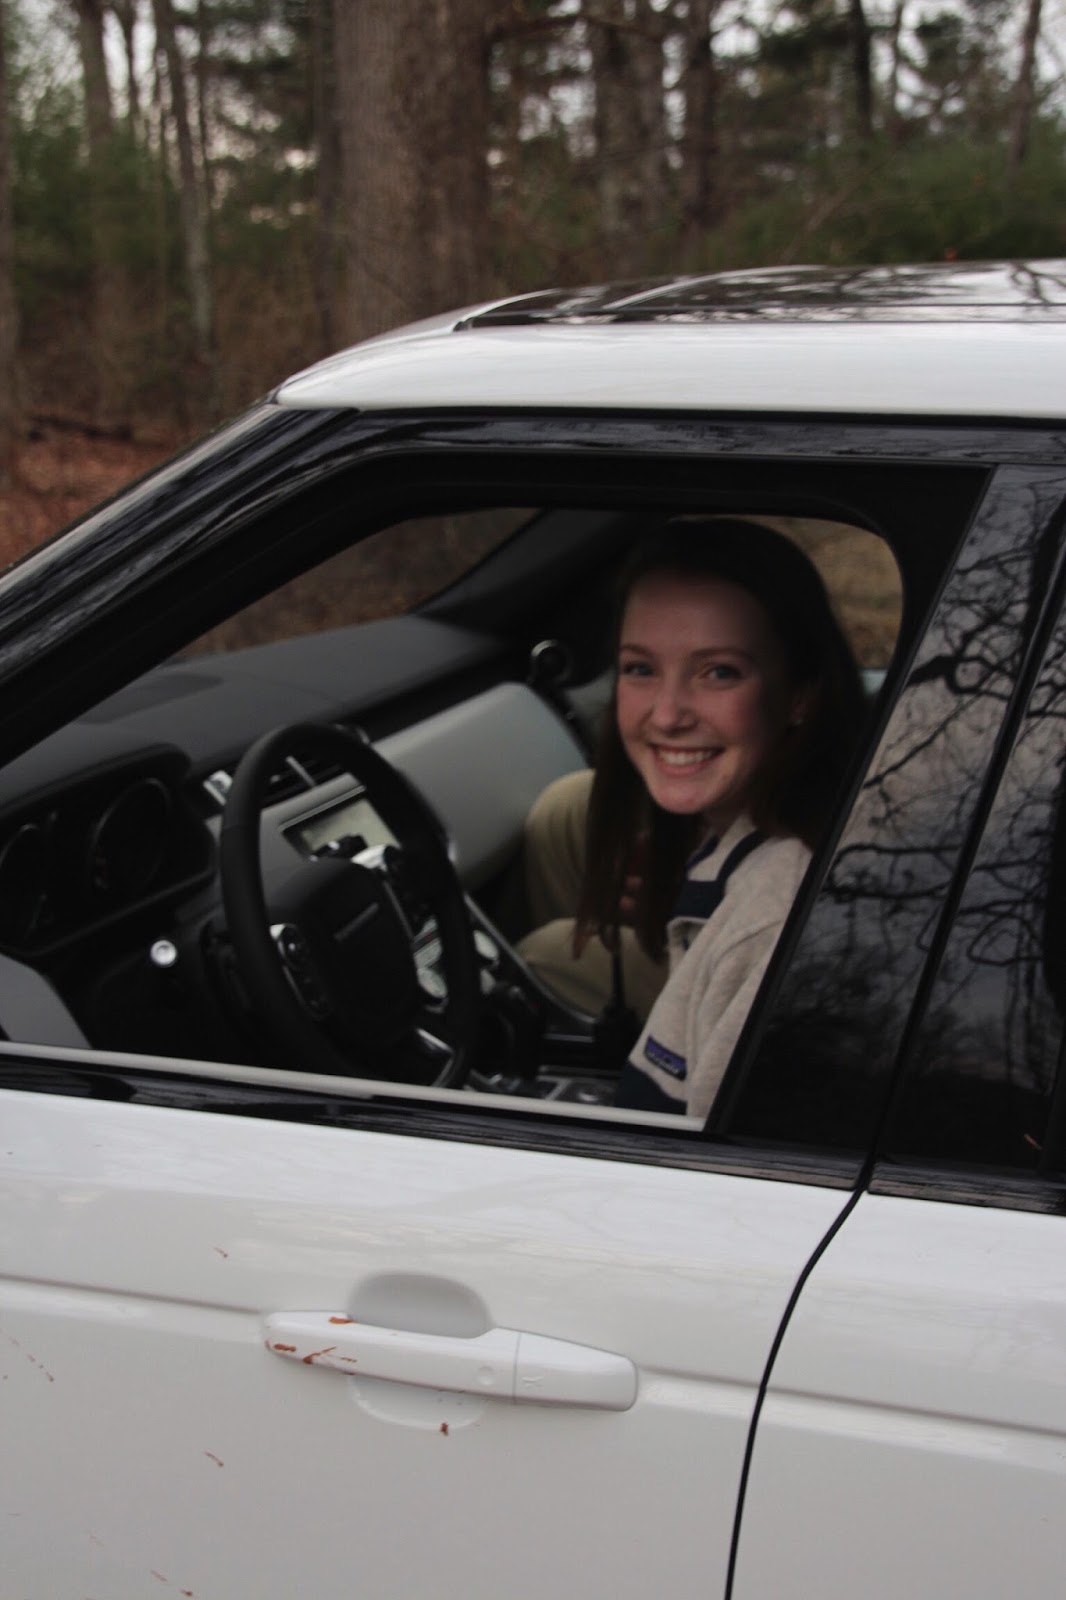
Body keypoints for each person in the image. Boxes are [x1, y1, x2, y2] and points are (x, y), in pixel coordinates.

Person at [519, 517, 867, 1118]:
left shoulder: (771, 921)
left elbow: (711, 1159)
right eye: (640, 668)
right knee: (568, 806)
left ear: (800, 695)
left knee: (544, 955)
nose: (667, 715)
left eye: (719, 672)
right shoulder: (764, 821)